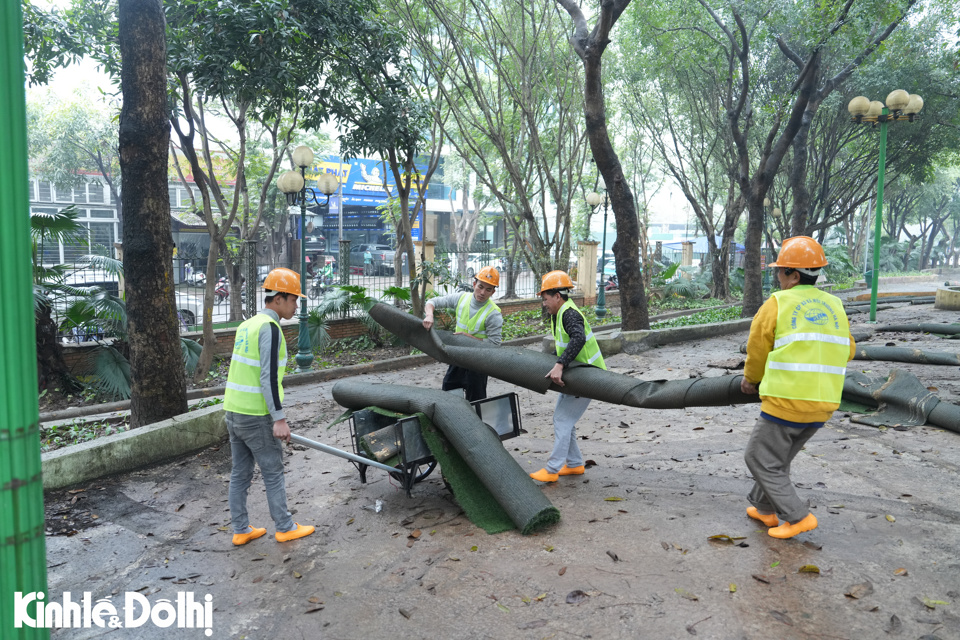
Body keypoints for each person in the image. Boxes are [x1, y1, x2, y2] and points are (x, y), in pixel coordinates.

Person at [740, 236, 855, 539]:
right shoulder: (835, 305)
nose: (777, 277)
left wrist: (751, 380)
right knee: (777, 458)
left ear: (793, 275)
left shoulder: (779, 303)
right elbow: (849, 348)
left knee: (757, 456)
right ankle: (763, 508)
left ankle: (797, 517)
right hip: (824, 405)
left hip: (787, 399)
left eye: (780, 271)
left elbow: (757, 347)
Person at [224, 267, 315, 546]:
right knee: (273, 472)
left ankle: (241, 530)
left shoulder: (247, 325)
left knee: (240, 473)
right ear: (278, 299)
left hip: (234, 412)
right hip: (256, 415)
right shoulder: (270, 328)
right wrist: (279, 418)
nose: (296, 306)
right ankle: (285, 526)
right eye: (293, 300)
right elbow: (267, 377)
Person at [530, 270, 606, 483]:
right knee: (564, 420)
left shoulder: (569, 313)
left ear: (557, 296)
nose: (544, 303)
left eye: (546, 299)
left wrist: (560, 364)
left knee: (562, 420)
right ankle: (574, 464)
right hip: (579, 374)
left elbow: (578, 339)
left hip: (588, 376)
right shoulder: (560, 314)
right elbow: (566, 344)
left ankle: (553, 469)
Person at [422, 266, 502, 401]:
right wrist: (429, 315)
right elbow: (432, 302)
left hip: (479, 364)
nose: (482, 292)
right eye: (480, 287)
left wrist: (468, 338)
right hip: (458, 358)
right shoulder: (461, 299)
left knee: (476, 401)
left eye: (488, 289)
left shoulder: (493, 313)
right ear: (474, 284)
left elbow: (495, 344)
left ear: (493, 292)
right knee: (448, 392)